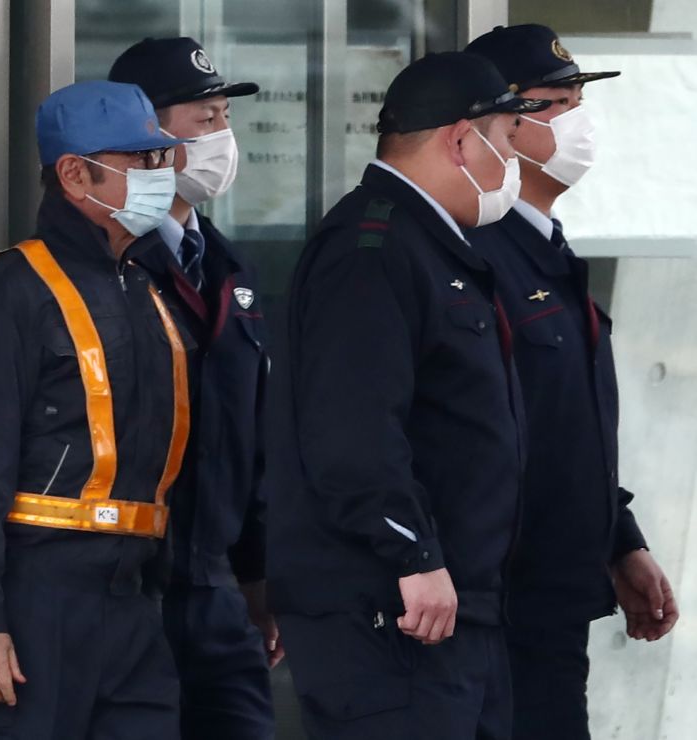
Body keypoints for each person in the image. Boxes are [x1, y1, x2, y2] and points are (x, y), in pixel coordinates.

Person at [267, 52, 549, 740]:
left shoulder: (433, 246)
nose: (513, 159)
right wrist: (413, 554)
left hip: (453, 610)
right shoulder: (374, 248)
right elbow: (352, 430)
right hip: (391, 611)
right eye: (508, 138)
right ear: (460, 140)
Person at [0, 80, 194, 740]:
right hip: (33, 604)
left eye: (161, 160)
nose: (161, 176)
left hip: (132, 604)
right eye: (142, 161)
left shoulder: (146, 289)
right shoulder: (9, 294)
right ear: (76, 174)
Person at [464, 24, 678, 740]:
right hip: (492, 613)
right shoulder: (473, 259)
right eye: (554, 103)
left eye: (578, 99)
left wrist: (621, 541)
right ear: (498, 120)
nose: (577, 120)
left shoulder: (546, 249)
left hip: (554, 604)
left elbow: (564, 425)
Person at [108, 37, 277, 740]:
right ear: (147, 131)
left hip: (215, 587)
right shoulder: (101, 266)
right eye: (203, 118)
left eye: (223, 119)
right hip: (123, 588)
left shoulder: (228, 271)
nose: (220, 137)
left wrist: (258, 575)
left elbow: (249, 435)